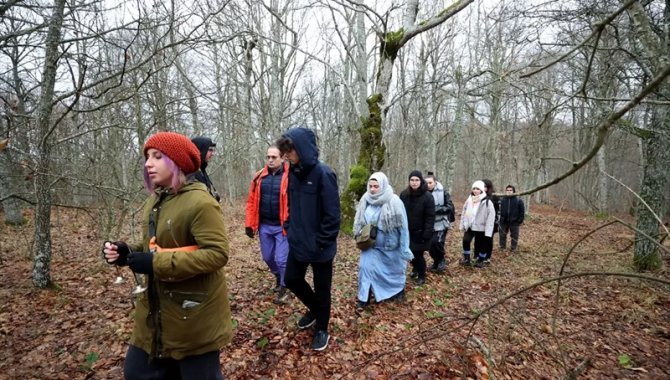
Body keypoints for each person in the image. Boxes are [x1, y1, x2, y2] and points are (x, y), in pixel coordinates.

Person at [102, 131, 231, 379]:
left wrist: (155, 263)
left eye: (157, 156)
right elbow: (152, 246)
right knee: (137, 372)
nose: (148, 163)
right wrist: (126, 253)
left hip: (194, 319)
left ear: (177, 161)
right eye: (147, 157)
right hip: (155, 316)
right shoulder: (155, 201)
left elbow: (217, 254)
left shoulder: (200, 202)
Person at [275, 127, 340, 351]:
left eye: (289, 151)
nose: (286, 156)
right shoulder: (292, 173)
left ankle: (322, 328)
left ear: (301, 149)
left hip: (321, 247)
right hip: (298, 242)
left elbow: (333, 215)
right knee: (292, 279)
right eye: (284, 152)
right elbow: (292, 205)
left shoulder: (324, 174)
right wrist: (289, 227)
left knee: (323, 289)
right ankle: (315, 309)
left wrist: (322, 241)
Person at [353, 172, 413, 309]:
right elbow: (359, 219)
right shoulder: (365, 199)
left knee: (392, 271)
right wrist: (358, 233)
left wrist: (404, 247)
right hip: (369, 245)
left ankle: (397, 291)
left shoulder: (394, 201)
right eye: (371, 186)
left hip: (389, 247)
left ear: (383, 185)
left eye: (376, 186)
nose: (373, 189)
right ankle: (364, 298)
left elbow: (403, 227)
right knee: (365, 268)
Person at [244, 146, 290, 304]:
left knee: (282, 259)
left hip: (282, 226)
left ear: (282, 158)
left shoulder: (289, 177)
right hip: (264, 225)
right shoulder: (259, 177)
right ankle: (278, 276)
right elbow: (251, 201)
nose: (270, 160)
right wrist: (249, 224)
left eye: (274, 157)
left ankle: (285, 287)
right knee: (268, 257)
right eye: (268, 157)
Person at [399, 170, 435, 286]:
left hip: (421, 232)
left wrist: (427, 233)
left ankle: (422, 275)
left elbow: (430, 216)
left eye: (417, 180)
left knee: (418, 255)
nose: (414, 183)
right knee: (409, 254)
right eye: (412, 180)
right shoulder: (404, 194)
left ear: (421, 181)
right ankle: (415, 269)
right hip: (407, 231)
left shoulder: (428, 196)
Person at [459, 180, 496, 268]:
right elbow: (464, 212)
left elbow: (491, 217)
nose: (475, 190)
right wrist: (463, 224)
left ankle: (480, 260)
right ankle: (467, 258)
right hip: (470, 226)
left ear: (482, 190)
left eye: (477, 189)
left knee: (482, 245)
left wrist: (488, 231)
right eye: (474, 188)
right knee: (466, 240)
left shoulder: (487, 202)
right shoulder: (469, 200)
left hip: (481, 227)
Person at [425, 172, 455, 273]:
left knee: (437, 242)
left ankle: (441, 260)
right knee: (429, 245)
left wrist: (437, 209)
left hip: (441, 222)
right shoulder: (422, 193)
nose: (428, 185)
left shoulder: (443, 192)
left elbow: (450, 207)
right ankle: (436, 262)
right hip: (427, 223)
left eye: (430, 182)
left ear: (435, 182)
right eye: (426, 183)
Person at [191, 136, 220, 201]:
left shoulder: (201, 170)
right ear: (200, 150)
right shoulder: (190, 174)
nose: (213, 154)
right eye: (210, 150)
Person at [499, 185, 525, 252]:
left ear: (513, 191)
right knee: (502, 235)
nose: (509, 191)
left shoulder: (518, 201)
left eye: (510, 190)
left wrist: (519, 221)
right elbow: (499, 210)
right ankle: (502, 247)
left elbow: (522, 212)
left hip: (514, 222)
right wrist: (501, 218)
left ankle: (513, 248)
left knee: (514, 236)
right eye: (507, 190)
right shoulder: (502, 200)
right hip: (504, 221)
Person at [482, 179, 500, 263]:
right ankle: (480, 255)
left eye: (485, 186)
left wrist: (496, 221)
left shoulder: (494, 196)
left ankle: (487, 257)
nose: (483, 188)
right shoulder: (479, 195)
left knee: (488, 239)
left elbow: (498, 210)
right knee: (480, 239)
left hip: (492, 222)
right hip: (480, 222)